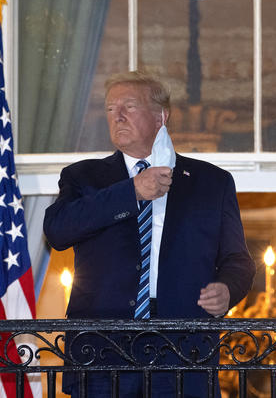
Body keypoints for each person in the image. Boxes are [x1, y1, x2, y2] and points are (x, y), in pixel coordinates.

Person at [44, 71, 256, 397]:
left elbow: (237, 260)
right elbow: (57, 231)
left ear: (161, 115)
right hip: (102, 351)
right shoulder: (84, 176)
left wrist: (228, 289)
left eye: (128, 106)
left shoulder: (211, 182)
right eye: (111, 108)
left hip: (184, 349)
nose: (118, 116)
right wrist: (131, 193)